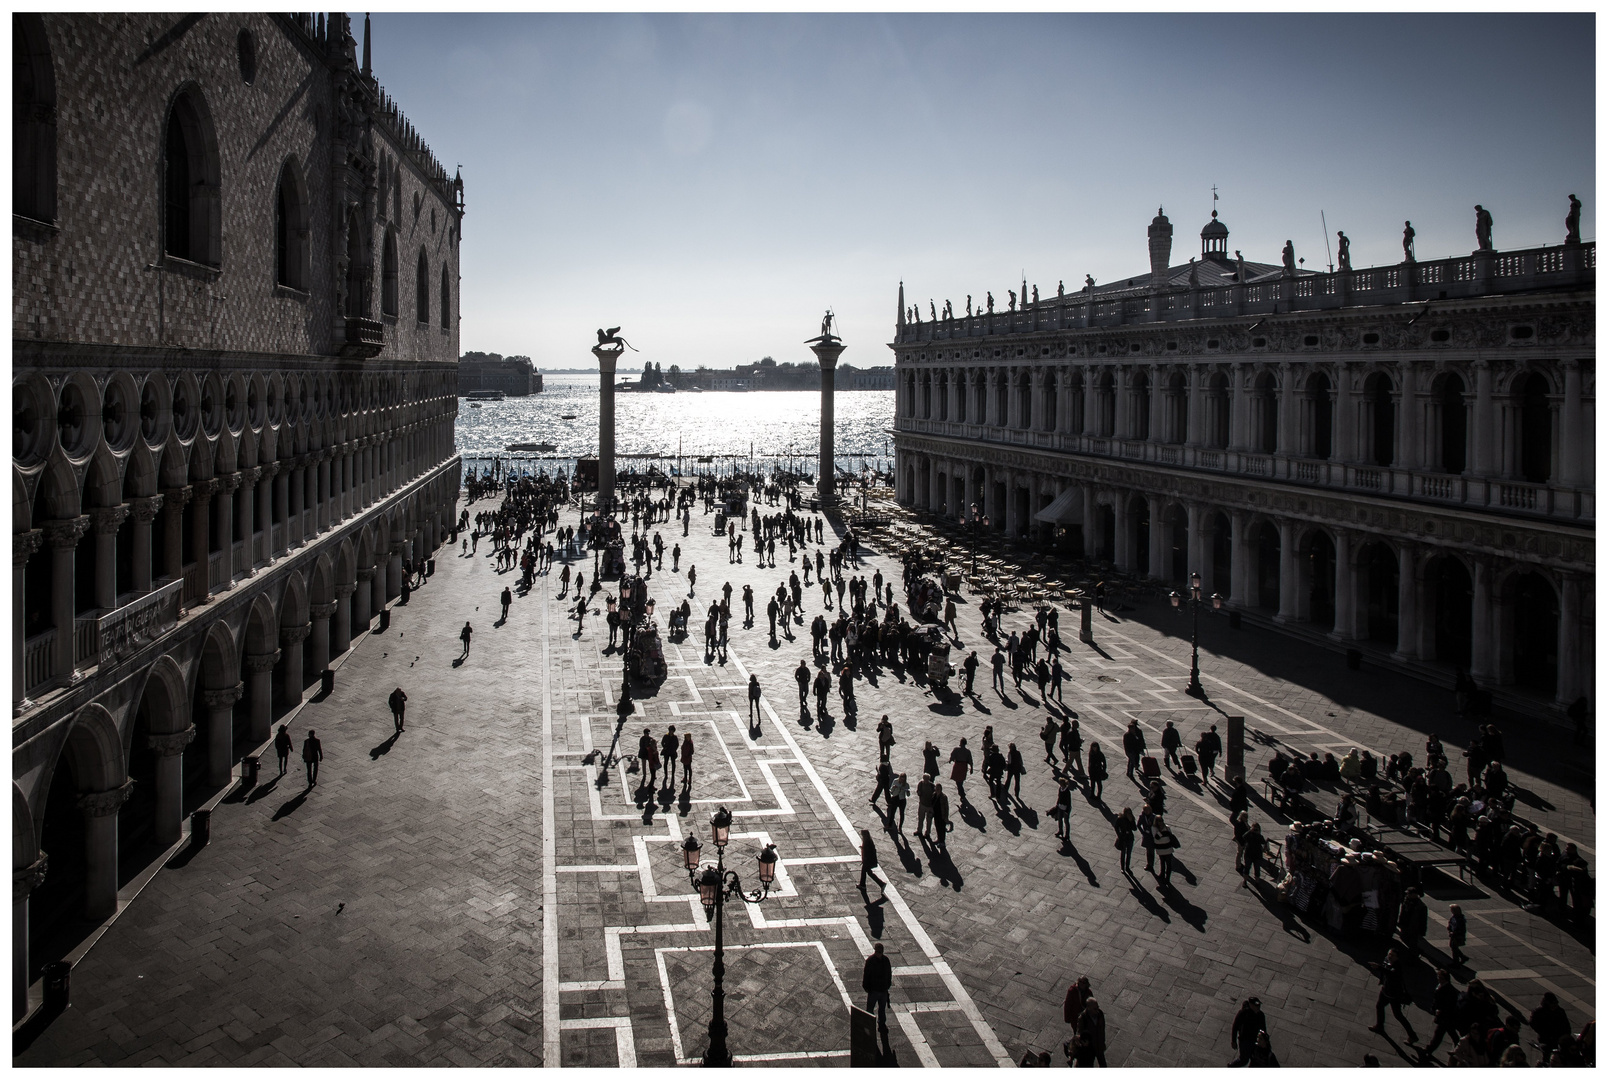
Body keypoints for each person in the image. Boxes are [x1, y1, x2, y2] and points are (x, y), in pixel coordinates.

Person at [1369, 947, 1417, 1043]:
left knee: (1398, 1015)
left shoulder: (1397, 967)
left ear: (1397, 958)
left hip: (1393, 995)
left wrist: (1379, 968)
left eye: (1393, 955)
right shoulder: (1387, 960)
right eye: (1389, 954)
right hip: (1385, 991)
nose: (1390, 956)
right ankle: (1379, 1026)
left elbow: (1390, 974)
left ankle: (1413, 1036)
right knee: (1379, 1006)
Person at [1228, 996, 1268, 1067]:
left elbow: (1263, 1029)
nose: (1258, 1007)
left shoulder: (1261, 1015)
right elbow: (1235, 1027)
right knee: (1244, 1060)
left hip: (1256, 1041)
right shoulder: (1243, 1013)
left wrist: (1265, 1041)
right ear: (1251, 1005)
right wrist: (1233, 1041)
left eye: (1259, 1005)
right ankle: (1231, 1066)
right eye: (1256, 1006)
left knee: (1255, 1060)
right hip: (1245, 1041)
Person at [862, 943, 892, 1032]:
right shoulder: (870, 961)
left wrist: (887, 985)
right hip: (874, 990)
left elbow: (889, 974)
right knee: (870, 1008)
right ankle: (869, 1024)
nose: (879, 953)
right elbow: (866, 975)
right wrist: (867, 988)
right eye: (877, 952)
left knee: (882, 1009)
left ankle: (881, 1023)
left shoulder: (886, 960)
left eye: (880, 952)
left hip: (883, 990)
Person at [1072, 997, 1107, 1068]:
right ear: (1088, 1008)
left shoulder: (1100, 1014)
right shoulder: (1082, 1018)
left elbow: (1102, 1029)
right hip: (1090, 1048)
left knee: (1103, 1065)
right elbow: (1079, 1032)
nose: (1097, 1010)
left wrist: (1102, 1042)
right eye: (1095, 1008)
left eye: (1097, 1007)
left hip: (1099, 1045)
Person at [1397, 887, 1428, 956]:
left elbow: (1423, 920)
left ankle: (1414, 954)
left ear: (1414, 894)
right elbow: (1402, 913)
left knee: (1412, 942)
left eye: (1409, 894)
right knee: (1404, 937)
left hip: (1414, 927)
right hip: (1405, 924)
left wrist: (1422, 930)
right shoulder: (1406, 901)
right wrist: (1400, 922)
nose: (1407, 895)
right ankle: (1417, 951)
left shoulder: (1421, 906)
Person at [859, 829, 885, 894]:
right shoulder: (868, 841)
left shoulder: (867, 842)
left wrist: (864, 859)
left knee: (866, 872)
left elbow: (867, 852)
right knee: (868, 873)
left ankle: (881, 884)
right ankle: (863, 885)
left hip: (867, 860)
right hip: (868, 860)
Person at [1114, 807, 1136, 875]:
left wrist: (1131, 821)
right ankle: (1122, 868)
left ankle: (1127, 867)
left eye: (1130, 813)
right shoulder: (1120, 819)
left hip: (1130, 838)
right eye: (1127, 813)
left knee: (1129, 854)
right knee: (1123, 853)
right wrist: (1119, 835)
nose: (1129, 814)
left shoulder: (1131, 819)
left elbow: (1134, 828)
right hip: (1123, 838)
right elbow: (1116, 827)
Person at [916, 773, 936, 839]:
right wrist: (919, 793)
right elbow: (918, 791)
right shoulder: (920, 784)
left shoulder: (932, 786)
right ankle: (919, 830)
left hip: (929, 806)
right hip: (922, 804)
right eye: (924, 779)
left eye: (926, 779)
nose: (925, 780)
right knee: (920, 818)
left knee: (929, 820)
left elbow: (935, 795)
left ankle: (927, 833)